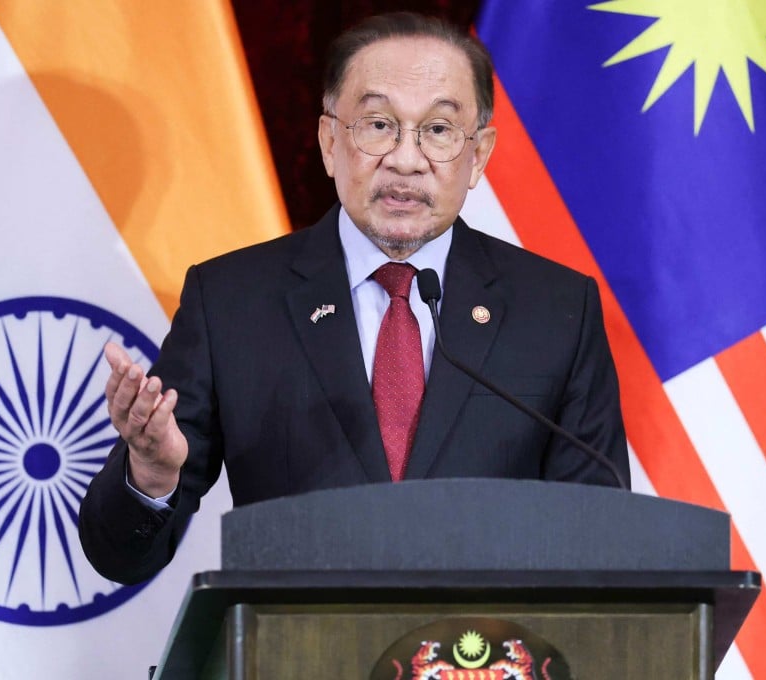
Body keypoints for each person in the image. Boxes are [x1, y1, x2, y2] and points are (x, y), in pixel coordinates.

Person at [79, 12, 629, 585]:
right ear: (328, 141)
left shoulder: (557, 310)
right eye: (377, 125)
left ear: (479, 155)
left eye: (438, 131)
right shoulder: (231, 303)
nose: (406, 159)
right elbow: (120, 557)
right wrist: (149, 473)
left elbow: (601, 540)